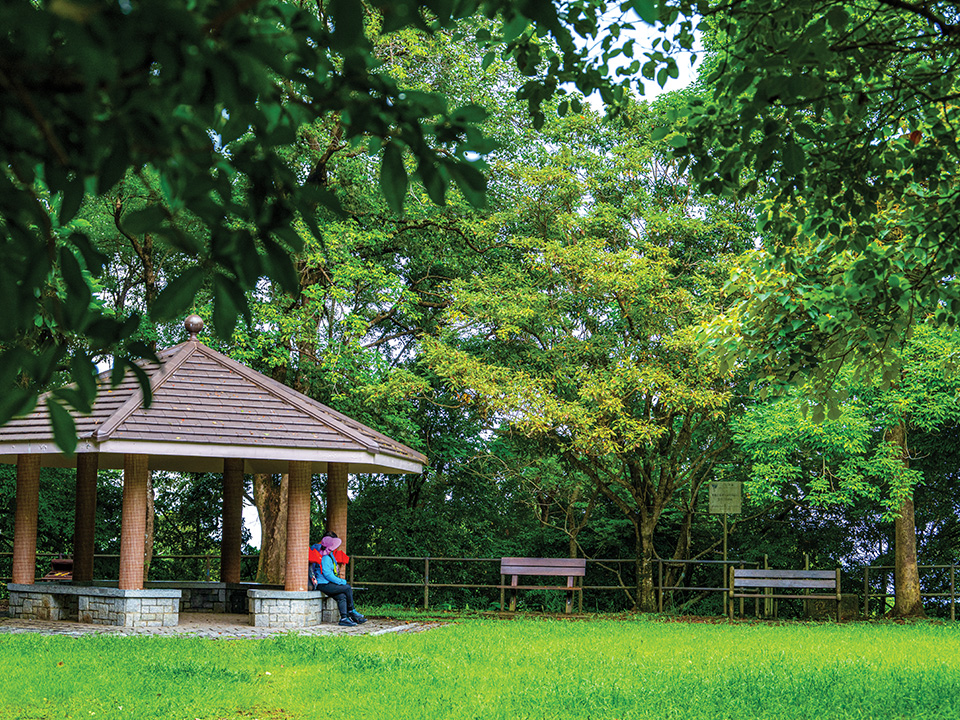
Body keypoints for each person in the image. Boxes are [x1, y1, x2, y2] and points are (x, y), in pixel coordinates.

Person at [309, 532, 366, 627]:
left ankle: (344, 618)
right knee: (347, 588)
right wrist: (340, 581)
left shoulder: (330, 556)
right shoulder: (326, 558)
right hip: (323, 584)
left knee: (341, 596)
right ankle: (352, 611)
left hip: (327, 583)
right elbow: (328, 575)